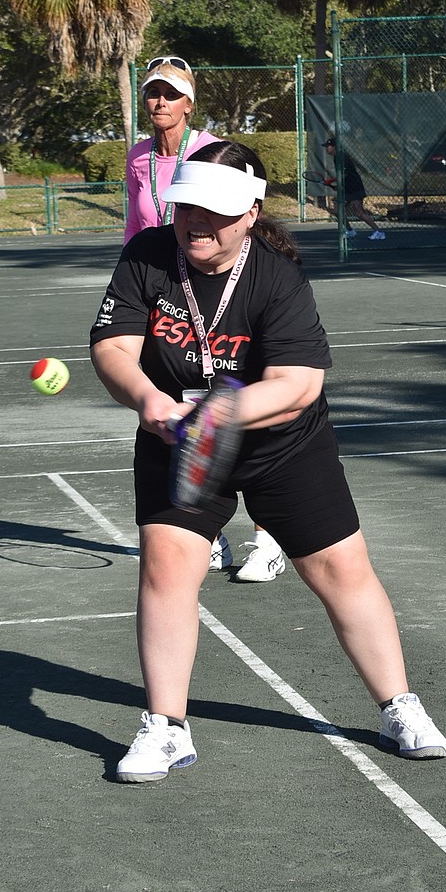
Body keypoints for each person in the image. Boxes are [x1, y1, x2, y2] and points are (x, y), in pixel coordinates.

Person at [90, 139, 446, 782]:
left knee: (342, 570)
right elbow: (114, 347)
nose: (199, 220)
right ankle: (166, 728)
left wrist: (216, 413)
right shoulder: (147, 256)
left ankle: (399, 705)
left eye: (218, 210)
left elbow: (297, 385)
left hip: (283, 444)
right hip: (178, 438)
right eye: (189, 205)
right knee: (167, 566)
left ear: (251, 213)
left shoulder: (277, 277)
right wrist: (149, 399)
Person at [125, 56, 284, 583]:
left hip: (224, 286)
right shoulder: (138, 156)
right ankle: (205, 535)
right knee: (184, 417)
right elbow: (137, 226)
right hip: (166, 290)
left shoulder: (209, 153)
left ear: (189, 101)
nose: (160, 102)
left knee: (247, 420)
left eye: (171, 93)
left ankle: (267, 540)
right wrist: (135, 287)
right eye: (153, 92)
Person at [323, 136, 386, 240]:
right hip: (347, 188)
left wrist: (333, 182)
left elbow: (345, 174)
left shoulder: (341, 157)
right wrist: (336, 186)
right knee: (337, 210)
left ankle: (379, 232)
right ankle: (350, 231)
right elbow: (342, 176)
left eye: (328, 146)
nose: (326, 148)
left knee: (359, 212)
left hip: (354, 187)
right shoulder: (336, 158)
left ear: (334, 147)